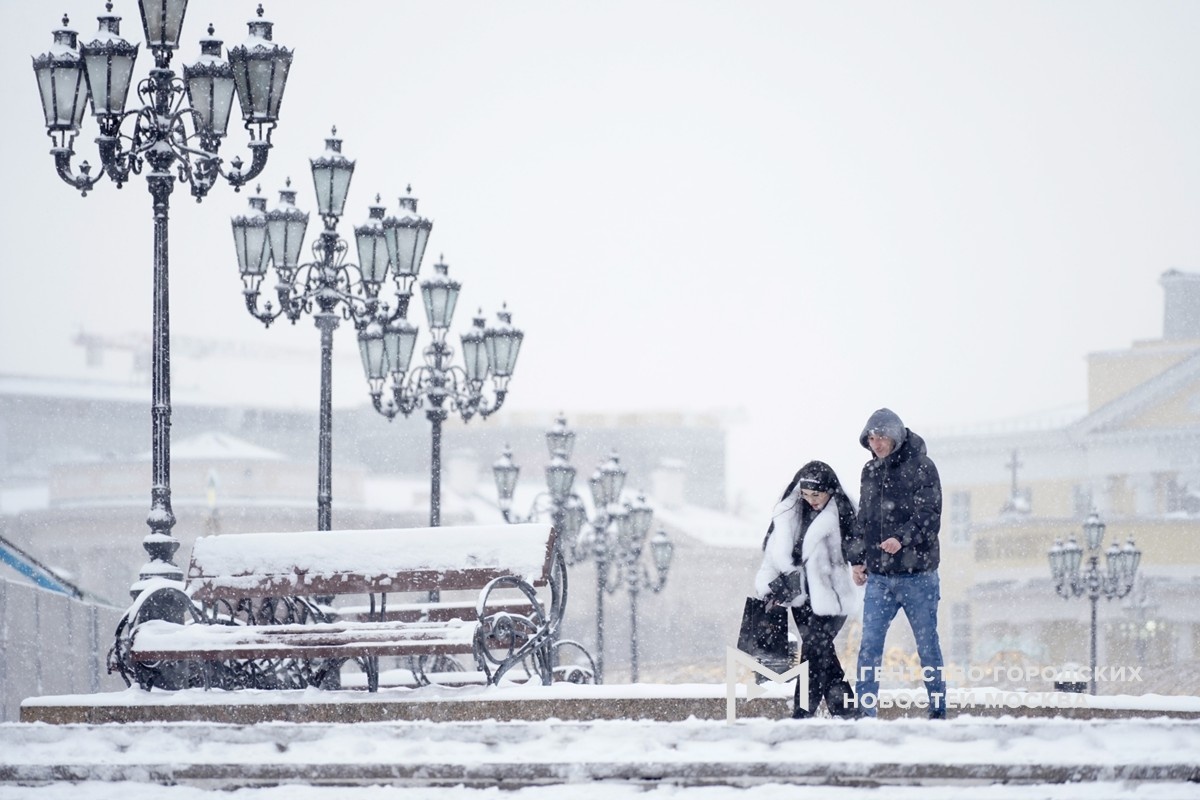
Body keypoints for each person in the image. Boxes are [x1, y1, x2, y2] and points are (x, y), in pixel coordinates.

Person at [848, 408, 946, 719]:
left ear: (895, 436)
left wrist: (901, 539)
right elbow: (863, 519)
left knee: (927, 646)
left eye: (882, 437)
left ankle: (938, 711)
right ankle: (866, 714)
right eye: (871, 438)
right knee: (869, 646)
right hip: (879, 578)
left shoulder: (922, 467)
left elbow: (929, 516)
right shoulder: (870, 471)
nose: (876, 444)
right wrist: (858, 560)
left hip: (919, 575)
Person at [755, 460, 860, 719]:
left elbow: (858, 549)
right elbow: (772, 555)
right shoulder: (788, 513)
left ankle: (801, 715)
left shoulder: (843, 513)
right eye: (806, 494)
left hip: (833, 598)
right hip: (800, 598)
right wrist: (768, 588)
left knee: (814, 650)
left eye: (817, 495)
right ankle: (847, 712)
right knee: (820, 654)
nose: (811, 500)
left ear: (830, 491)